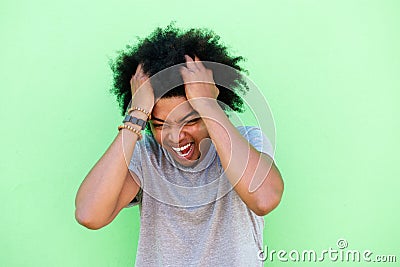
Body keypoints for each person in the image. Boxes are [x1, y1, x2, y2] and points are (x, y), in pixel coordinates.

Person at [75, 24, 284, 266]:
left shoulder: (247, 141)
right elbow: (89, 214)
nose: (175, 137)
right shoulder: (146, 155)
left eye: (191, 120)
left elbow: (265, 199)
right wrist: (135, 115)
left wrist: (206, 104)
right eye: (160, 124)